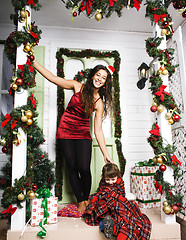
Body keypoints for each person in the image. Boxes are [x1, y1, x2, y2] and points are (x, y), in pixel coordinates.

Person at [32, 59, 113, 212]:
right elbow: (53, 78)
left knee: (84, 168)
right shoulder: (77, 86)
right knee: (72, 167)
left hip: (82, 133)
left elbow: (98, 130)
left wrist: (106, 154)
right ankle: (80, 201)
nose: (100, 79)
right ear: (92, 76)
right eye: (98, 75)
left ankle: (86, 197)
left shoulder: (99, 103)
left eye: (104, 78)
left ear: (105, 83)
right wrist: (33, 62)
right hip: (65, 131)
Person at [83, 163, 152, 240]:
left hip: (116, 202)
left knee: (121, 214)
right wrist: (102, 196)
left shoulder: (120, 183)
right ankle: (105, 227)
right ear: (103, 177)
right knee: (101, 211)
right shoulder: (102, 182)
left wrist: (112, 196)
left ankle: (114, 228)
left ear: (117, 176)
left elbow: (121, 194)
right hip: (106, 204)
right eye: (107, 179)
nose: (110, 182)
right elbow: (100, 192)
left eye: (113, 179)